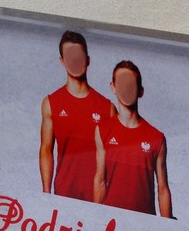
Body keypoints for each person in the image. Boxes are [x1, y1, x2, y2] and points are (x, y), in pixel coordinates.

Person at [40, 31, 116, 202]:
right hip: (64, 195)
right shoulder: (51, 103)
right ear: (62, 61)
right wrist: (46, 194)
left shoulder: (107, 108)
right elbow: (46, 150)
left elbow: (117, 162)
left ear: (87, 60)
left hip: (98, 200)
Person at [93, 60, 174, 218]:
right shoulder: (102, 130)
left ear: (140, 91)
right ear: (113, 87)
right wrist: (95, 219)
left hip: (144, 223)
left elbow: (163, 189)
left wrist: (167, 226)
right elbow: (100, 180)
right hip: (111, 219)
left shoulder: (157, 138)